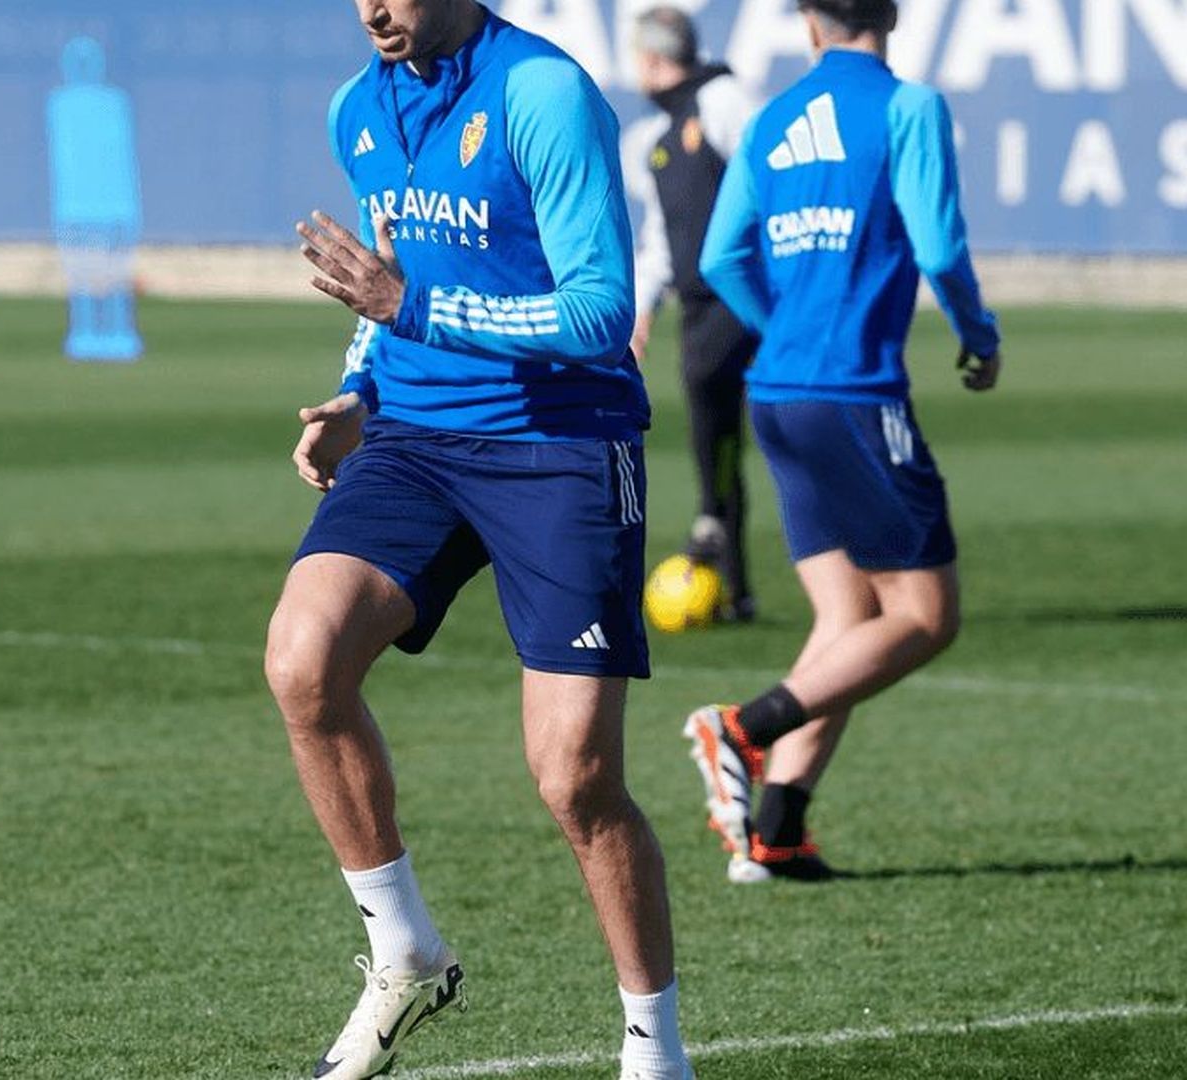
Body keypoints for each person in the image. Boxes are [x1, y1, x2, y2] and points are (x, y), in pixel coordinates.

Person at [267, 2, 693, 1078]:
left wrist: (412, 310)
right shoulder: (359, 107)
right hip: (414, 439)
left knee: (575, 781)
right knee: (302, 661)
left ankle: (655, 1049)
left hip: (561, 441)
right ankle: (402, 949)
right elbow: (387, 281)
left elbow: (601, 313)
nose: (375, 8)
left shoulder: (541, 93)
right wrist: (362, 387)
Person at [687, 0, 1001, 883]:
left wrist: (783, 327)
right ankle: (739, 731)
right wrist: (979, 335)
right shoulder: (908, 106)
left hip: (778, 395)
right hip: (854, 396)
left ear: (809, 24)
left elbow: (720, 260)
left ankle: (776, 832)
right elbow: (939, 245)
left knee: (849, 617)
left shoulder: (772, 118)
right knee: (926, 619)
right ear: (892, 15)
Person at [622, 5, 761, 621]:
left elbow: (770, 185)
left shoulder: (727, 104)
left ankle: (717, 537)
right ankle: (731, 580)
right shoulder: (658, 138)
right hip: (701, 310)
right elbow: (661, 231)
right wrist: (642, 307)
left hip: (748, 300)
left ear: (651, 60)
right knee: (714, 434)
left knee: (735, 427)